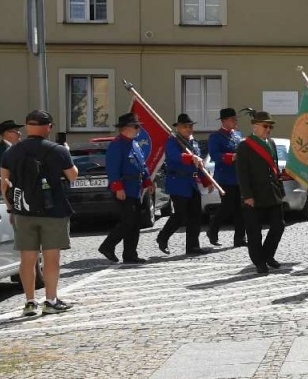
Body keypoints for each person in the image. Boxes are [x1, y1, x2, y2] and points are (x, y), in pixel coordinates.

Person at [0, 110, 79, 317]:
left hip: (23, 211)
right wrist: (67, 153)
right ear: (48, 127)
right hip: (53, 211)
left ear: (27, 126)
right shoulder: (57, 150)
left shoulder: (11, 152)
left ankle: (29, 302)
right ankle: (50, 300)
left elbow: (4, 184)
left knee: (27, 258)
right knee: (51, 257)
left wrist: (10, 208)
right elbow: (73, 176)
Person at [236, 110, 286, 274]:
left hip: (272, 193)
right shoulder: (245, 145)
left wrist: (280, 188)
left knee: (278, 226)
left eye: (270, 127)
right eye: (266, 126)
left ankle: (268, 255)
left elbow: (274, 167)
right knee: (254, 232)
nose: (269, 129)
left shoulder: (271, 143)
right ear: (255, 126)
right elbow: (242, 173)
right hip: (254, 195)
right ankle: (259, 261)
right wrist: (247, 195)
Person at [99, 112, 151, 266]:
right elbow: (112, 168)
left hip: (135, 188)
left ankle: (130, 254)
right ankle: (107, 245)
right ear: (126, 128)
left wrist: (147, 181)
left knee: (135, 222)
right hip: (124, 188)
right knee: (129, 220)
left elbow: (142, 165)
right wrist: (118, 188)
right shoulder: (117, 145)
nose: (138, 129)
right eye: (136, 126)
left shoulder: (134, 144)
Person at [157, 114, 213, 256]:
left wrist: (207, 181)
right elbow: (175, 157)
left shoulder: (193, 143)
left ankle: (193, 246)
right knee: (180, 215)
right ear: (178, 128)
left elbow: (199, 166)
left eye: (190, 126)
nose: (188, 129)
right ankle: (163, 237)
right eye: (185, 126)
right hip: (178, 183)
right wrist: (191, 157)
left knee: (195, 216)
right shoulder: (172, 142)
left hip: (192, 183)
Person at [205, 108, 245, 248]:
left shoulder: (238, 135)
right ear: (224, 121)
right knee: (227, 206)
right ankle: (212, 230)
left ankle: (240, 238)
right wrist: (231, 157)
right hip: (224, 178)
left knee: (240, 208)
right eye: (232, 119)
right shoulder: (216, 137)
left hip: (238, 176)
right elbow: (214, 155)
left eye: (236, 118)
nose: (235, 121)